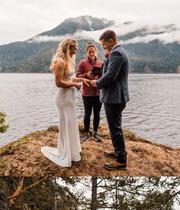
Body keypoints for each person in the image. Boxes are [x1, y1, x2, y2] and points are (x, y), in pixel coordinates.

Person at [41, 37, 90, 167]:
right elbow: (58, 83)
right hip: (63, 98)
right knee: (66, 125)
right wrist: (74, 84)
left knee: (71, 124)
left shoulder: (68, 61)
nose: (76, 52)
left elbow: (70, 77)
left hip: (69, 98)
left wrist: (81, 80)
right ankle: (65, 153)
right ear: (68, 48)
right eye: (75, 49)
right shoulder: (60, 62)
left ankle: (73, 152)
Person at [90, 30, 129, 170]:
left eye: (104, 43)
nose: (104, 46)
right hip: (116, 96)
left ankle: (121, 160)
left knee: (115, 128)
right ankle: (118, 151)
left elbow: (110, 76)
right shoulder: (118, 51)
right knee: (114, 127)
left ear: (111, 40)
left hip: (114, 97)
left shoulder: (117, 53)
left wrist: (96, 83)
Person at [76, 43, 103, 142]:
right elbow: (77, 76)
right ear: (87, 52)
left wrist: (98, 77)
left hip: (98, 93)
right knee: (87, 114)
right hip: (87, 93)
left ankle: (95, 133)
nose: (91, 53)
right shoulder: (82, 63)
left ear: (96, 52)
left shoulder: (100, 63)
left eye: (93, 51)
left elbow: (104, 76)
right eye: (89, 52)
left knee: (97, 114)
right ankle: (86, 133)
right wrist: (86, 75)